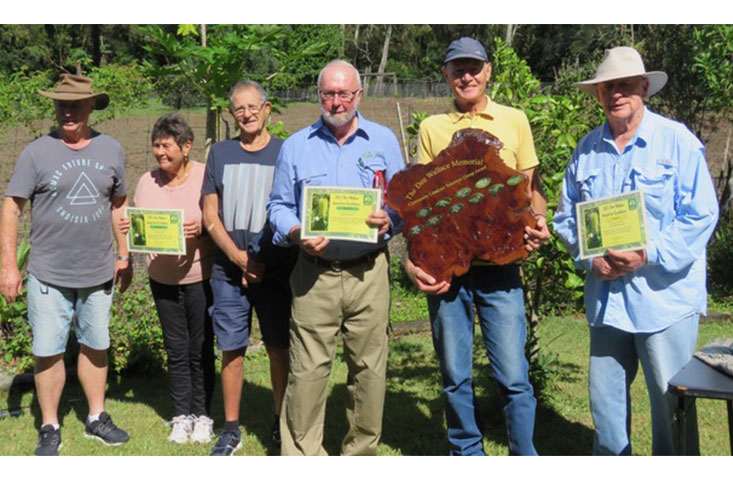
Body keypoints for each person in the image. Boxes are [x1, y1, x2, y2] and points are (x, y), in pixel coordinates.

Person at [552, 46, 719, 455]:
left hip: (663, 302)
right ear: (598, 94)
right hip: (607, 303)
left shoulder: (677, 142)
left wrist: (649, 254)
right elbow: (565, 217)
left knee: (671, 406)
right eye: (607, 87)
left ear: (644, 88)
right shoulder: (586, 150)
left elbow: (701, 214)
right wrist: (588, 256)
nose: (616, 94)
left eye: (625, 85)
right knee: (605, 406)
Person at [405, 37, 549, 456]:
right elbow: (424, 202)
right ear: (446, 75)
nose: (466, 76)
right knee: (455, 375)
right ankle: (466, 451)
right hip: (450, 272)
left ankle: (523, 453)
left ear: (488, 72)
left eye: (473, 68)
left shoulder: (514, 120)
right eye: (458, 70)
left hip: (501, 269)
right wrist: (416, 259)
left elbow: (532, 190)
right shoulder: (432, 128)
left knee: (514, 376)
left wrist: (539, 221)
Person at [267, 60, 405, 456]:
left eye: (344, 93)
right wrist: (297, 232)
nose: (337, 101)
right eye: (329, 93)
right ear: (318, 95)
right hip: (314, 275)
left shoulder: (383, 141)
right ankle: (303, 455)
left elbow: (402, 202)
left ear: (359, 94)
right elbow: (278, 206)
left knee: (369, 372)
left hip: (369, 273)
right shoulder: (296, 145)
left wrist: (390, 219)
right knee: (307, 372)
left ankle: (359, 455)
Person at [0, 74, 132, 456]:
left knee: (96, 345)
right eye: (61, 105)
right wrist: (9, 266)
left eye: (75, 105)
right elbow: (11, 207)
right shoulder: (36, 153)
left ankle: (96, 417)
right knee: (47, 351)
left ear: (91, 106)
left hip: (98, 270)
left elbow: (119, 204)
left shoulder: (111, 149)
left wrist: (124, 255)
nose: (67, 112)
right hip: (49, 274)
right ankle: (50, 425)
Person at [202, 80, 297, 456]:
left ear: (267, 109)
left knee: (278, 348)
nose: (247, 114)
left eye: (253, 107)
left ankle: (280, 424)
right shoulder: (219, 153)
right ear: (231, 114)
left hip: (276, 270)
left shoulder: (286, 152)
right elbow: (211, 216)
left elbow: (293, 208)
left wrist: (262, 260)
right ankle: (230, 428)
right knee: (231, 348)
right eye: (239, 109)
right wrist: (239, 258)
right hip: (228, 272)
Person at [118, 113, 216, 444]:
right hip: (162, 280)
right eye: (156, 146)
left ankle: (203, 415)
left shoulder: (204, 176)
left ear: (186, 147)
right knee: (175, 349)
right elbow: (141, 221)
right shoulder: (147, 182)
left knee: (200, 348)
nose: (160, 152)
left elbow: (219, 219)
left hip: (200, 277)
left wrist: (201, 228)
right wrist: (132, 228)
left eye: (166, 146)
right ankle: (180, 416)